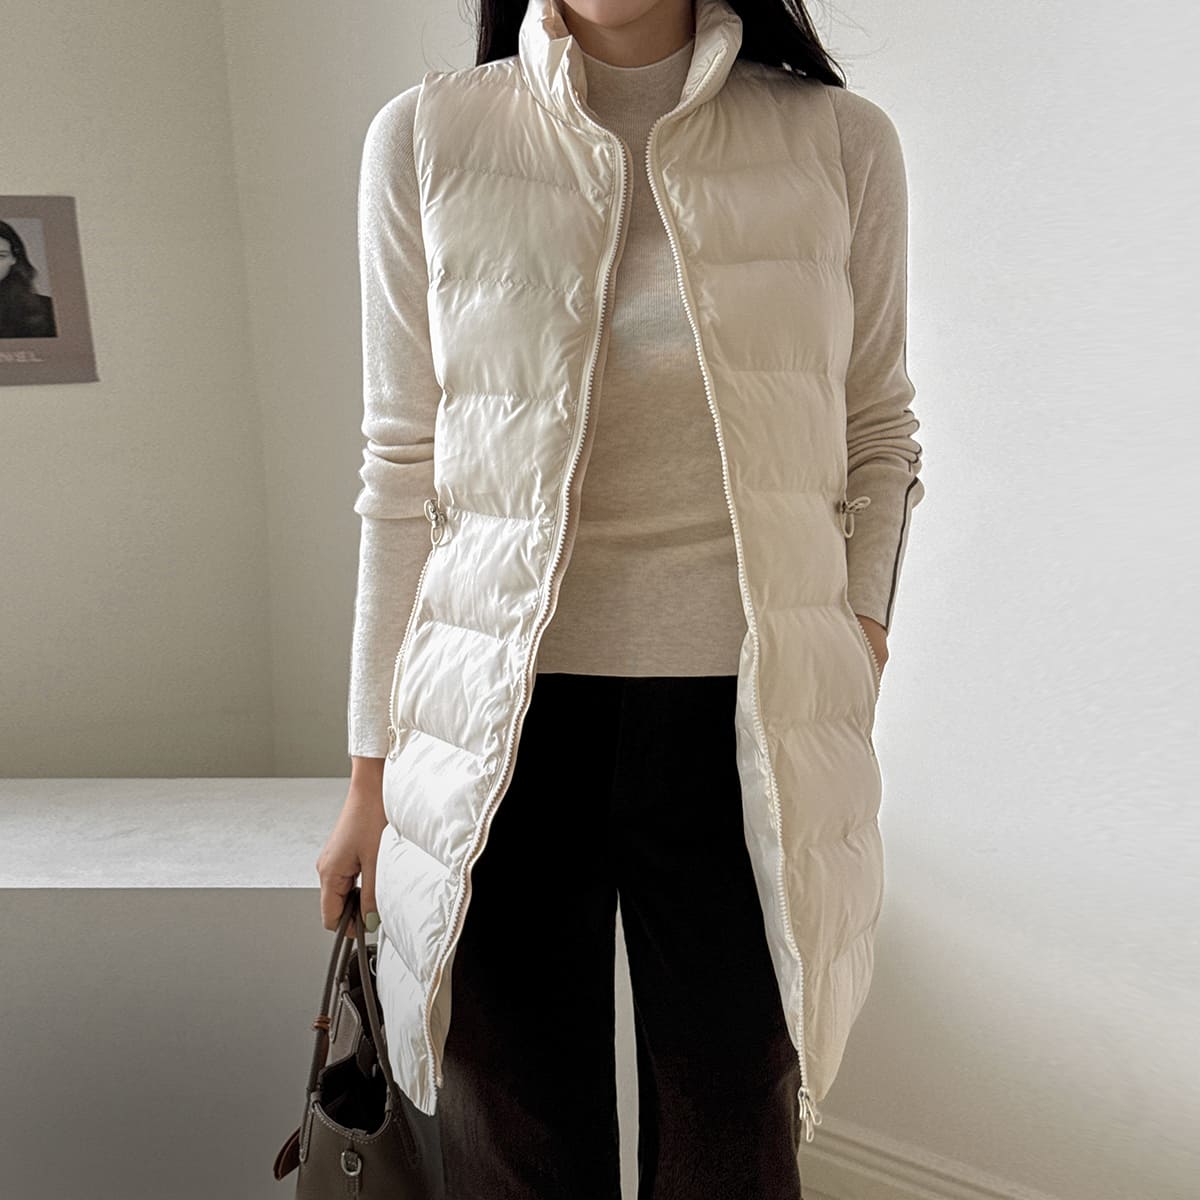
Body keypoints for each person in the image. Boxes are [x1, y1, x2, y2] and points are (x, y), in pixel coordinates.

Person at [317, 0, 926, 1195]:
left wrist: (857, 633)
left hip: (743, 725)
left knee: (732, 1136)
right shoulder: (428, 138)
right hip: (497, 727)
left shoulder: (841, 141)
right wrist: (368, 780)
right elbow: (401, 471)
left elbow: (880, 434)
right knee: (513, 1144)